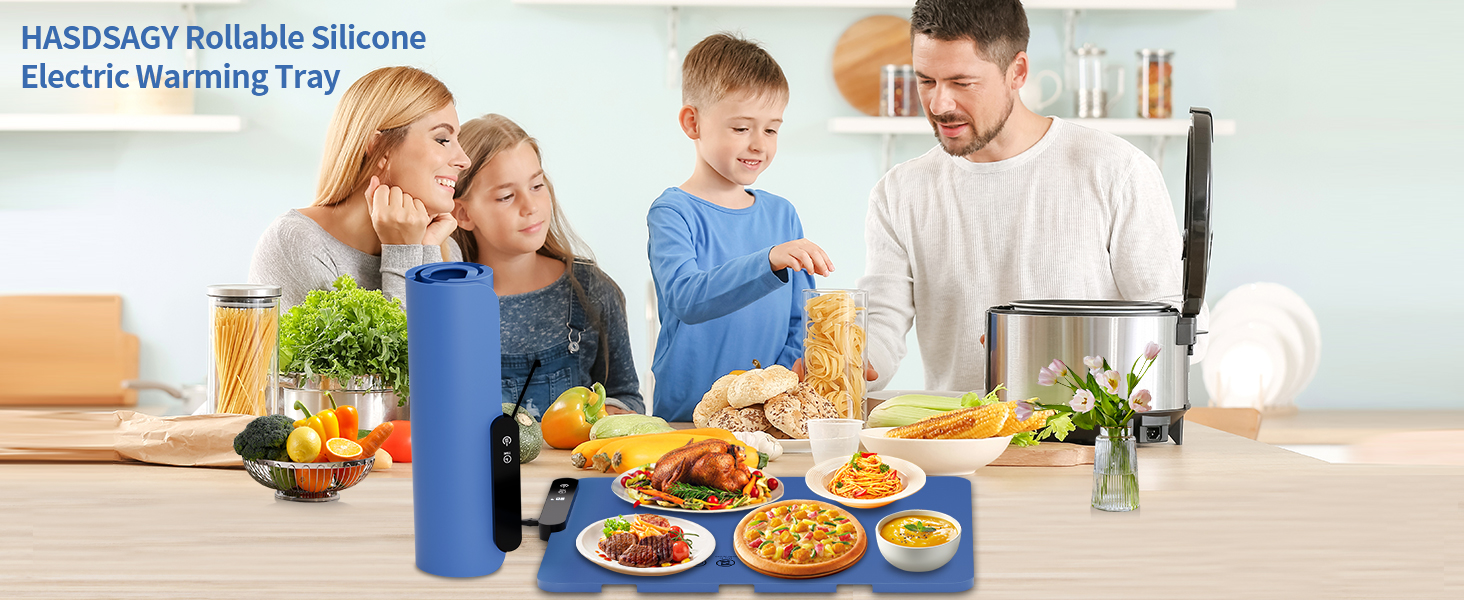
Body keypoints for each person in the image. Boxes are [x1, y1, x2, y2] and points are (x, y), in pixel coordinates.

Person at [860, 0, 1189, 393]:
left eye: (962, 83)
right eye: (927, 80)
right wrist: (846, 361)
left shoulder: (1117, 170)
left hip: (1087, 442)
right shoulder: (899, 192)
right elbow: (881, 324)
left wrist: (1042, 348)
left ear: (1017, 71)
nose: (938, 104)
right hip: (957, 445)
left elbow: (1174, 324)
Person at [647, 33, 833, 423]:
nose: (758, 145)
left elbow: (803, 319)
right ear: (692, 122)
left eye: (771, 130)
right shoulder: (672, 211)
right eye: (741, 128)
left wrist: (774, 386)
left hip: (766, 418)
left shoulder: (783, 215)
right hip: (684, 417)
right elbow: (686, 297)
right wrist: (768, 261)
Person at [450, 114, 643, 417]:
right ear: (462, 213)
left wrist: (613, 414)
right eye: (506, 196)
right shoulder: (444, 304)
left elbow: (627, 397)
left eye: (537, 185)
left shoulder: (592, 291)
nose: (531, 206)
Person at [250, 66, 467, 308]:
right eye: (442, 140)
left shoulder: (443, 247)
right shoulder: (296, 244)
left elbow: (447, 346)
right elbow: (409, 347)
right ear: (379, 148)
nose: (464, 160)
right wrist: (404, 254)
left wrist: (425, 252)